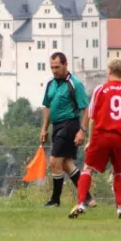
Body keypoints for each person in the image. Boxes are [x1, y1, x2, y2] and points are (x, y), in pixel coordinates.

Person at [68, 59, 121, 220]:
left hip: (101, 135)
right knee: (118, 172)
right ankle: (120, 207)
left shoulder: (100, 90)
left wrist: (89, 139)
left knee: (88, 168)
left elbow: (92, 117)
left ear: (109, 71)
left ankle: (81, 203)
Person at [41, 52, 96, 208]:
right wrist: (44, 128)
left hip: (69, 124)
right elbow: (47, 106)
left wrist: (82, 130)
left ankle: (55, 200)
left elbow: (86, 109)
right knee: (66, 163)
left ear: (66, 65)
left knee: (54, 161)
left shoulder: (75, 84)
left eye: (57, 67)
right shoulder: (50, 84)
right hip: (56, 126)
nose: (54, 70)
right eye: (52, 67)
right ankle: (88, 198)